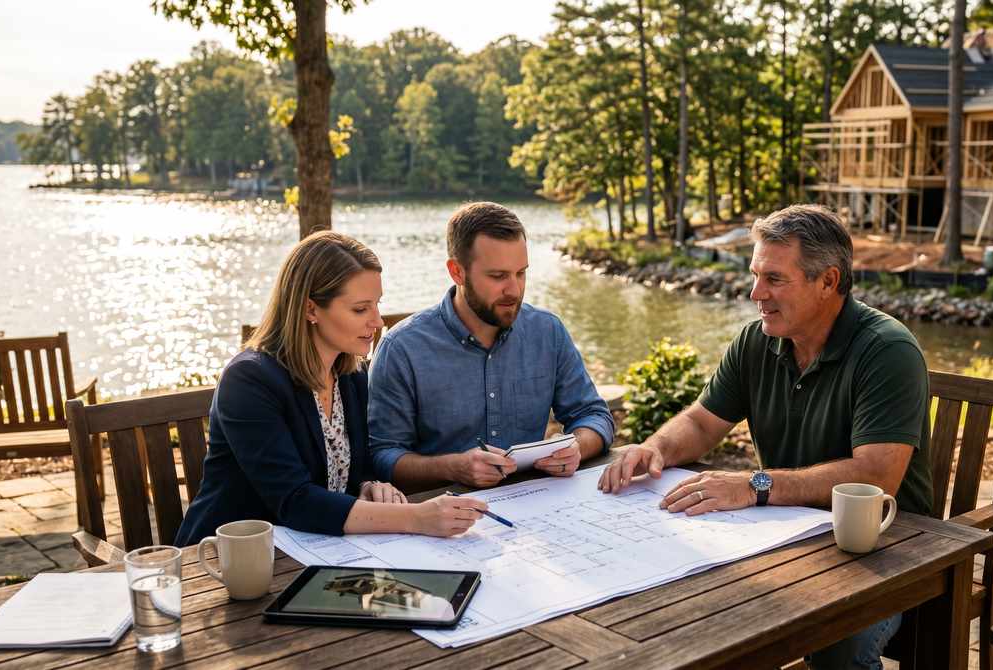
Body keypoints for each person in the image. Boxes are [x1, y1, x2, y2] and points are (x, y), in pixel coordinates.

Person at [598, 204, 932, 670]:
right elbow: (699, 422)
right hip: (788, 537)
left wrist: (754, 485)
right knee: (689, 615)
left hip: (887, 548)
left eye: (774, 279)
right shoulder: (758, 340)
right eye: (755, 275)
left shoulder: (886, 350)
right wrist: (654, 448)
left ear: (828, 281)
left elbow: (876, 476)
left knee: (837, 643)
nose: (756, 293)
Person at [175, 232, 486, 546]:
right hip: (228, 559)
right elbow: (294, 499)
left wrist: (369, 486)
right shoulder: (249, 381)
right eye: (360, 309)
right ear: (311, 309)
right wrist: (418, 517)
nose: (377, 321)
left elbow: (353, 469)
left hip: (317, 548)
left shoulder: (349, 375)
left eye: (377, 305)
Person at [368, 202, 615, 489]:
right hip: (440, 517)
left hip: (537, 505)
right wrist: (453, 468)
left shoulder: (548, 331)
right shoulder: (401, 349)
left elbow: (594, 416)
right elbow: (382, 455)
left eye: (521, 273)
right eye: (498, 276)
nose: (514, 290)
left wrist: (576, 448)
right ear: (457, 272)